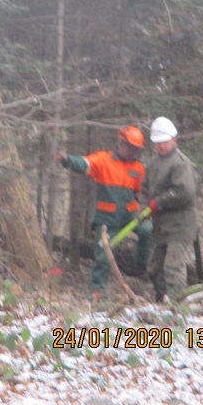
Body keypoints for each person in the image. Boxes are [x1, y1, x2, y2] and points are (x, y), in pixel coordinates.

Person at [55, 126, 153, 296]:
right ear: (122, 144)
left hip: (130, 216)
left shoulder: (138, 168)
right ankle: (98, 293)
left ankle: (139, 267)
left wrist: (142, 208)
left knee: (148, 230)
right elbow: (85, 164)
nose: (134, 153)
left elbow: (141, 193)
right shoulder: (103, 160)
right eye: (132, 148)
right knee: (103, 257)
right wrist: (68, 160)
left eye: (137, 149)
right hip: (107, 220)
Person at [141, 116, 198, 302]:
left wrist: (158, 202)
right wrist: (144, 208)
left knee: (173, 268)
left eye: (164, 142)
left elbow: (185, 193)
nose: (162, 146)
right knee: (154, 268)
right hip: (161, 227)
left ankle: (177, 307)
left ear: (173, 139)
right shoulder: (152, 164)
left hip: (180, 226)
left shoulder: (180, 163)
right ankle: (160, 302)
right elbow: (144, 190)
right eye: (158, 143)